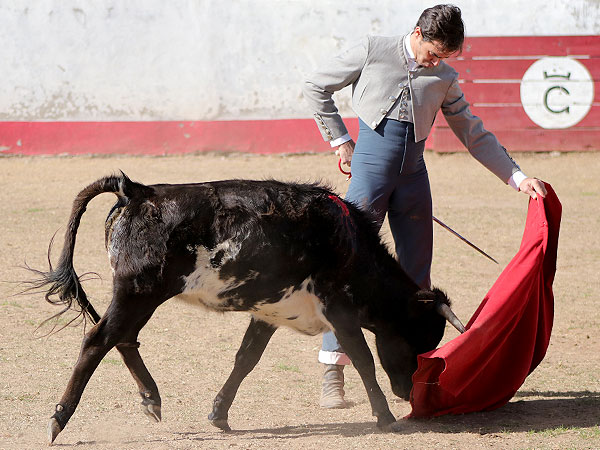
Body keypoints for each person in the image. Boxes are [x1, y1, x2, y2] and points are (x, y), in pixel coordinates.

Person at [302, 4, 547, 409]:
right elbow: (315, 85)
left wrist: (518, 178)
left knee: (417, 278)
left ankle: (412, 371)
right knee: (347, 271)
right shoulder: (371, 49)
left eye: (443, 58)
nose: (435, 62)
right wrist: (340, 140)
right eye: (433, 53)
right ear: (416, 32)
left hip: (414, 184)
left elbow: (474, 133)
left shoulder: (445, 77)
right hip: (367, 177)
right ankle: (333, 368)